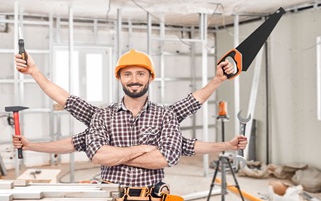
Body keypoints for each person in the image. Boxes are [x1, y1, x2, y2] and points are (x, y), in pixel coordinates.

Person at [13, 50, 247, 157]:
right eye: (127, 74)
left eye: (140, 74)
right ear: (119, 78)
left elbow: (188, 135)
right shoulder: (101, 116)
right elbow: (63, 98)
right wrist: (34, 71)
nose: (134, 80)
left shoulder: (165, 115)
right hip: (112, 197)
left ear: (150, 78)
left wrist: (227, 145)